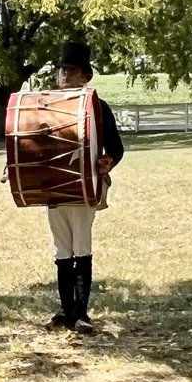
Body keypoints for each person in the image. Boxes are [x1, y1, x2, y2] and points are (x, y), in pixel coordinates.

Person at [41, 42, 124, 335]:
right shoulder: (46, 106)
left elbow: (115, 147)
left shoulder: (98, 107)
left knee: (81, 248)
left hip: (85, 184)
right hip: (54, 186)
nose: (64, 75)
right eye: (62, 70)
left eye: (71, 70)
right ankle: (66, 309)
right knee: (62, 248)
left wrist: (107, 162)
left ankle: (82, 313)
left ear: (85, 77)